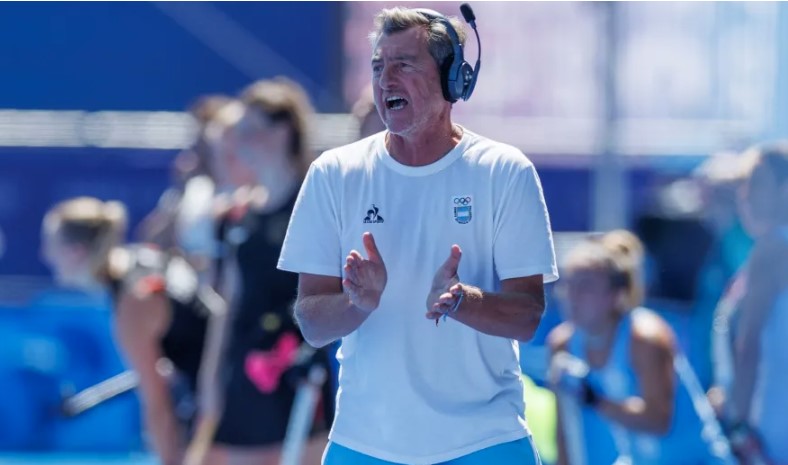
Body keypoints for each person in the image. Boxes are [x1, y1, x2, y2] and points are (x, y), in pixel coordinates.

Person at [278, 6, 558, 465]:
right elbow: (311, 323)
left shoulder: (505, 171)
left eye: (403, 64)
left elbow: (527, 316)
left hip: (485, 443)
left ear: (453, 80)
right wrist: (357, 304)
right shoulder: (333, 173)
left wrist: (464, 301)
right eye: (377, 66)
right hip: (364, 444)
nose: (385, 80)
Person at [206, 77, 334, 465]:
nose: (241, 142)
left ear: (282, 132)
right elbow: (228, 304)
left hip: (303, 372)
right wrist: (211, 378)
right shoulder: (235, 215)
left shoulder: (318, 203)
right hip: (247, 372)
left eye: (251, 130)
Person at [41, 197, 216, 465]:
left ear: (76, 251)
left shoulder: (133, 304)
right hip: (229, 380)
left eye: (51, 246)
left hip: (228, 395)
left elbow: (157, 403)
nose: (45, 256)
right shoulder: (142, 258)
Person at [548, 230, 734, 465]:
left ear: (616, 296)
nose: (572, 296)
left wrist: (595, 400)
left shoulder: (646, 338)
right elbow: (564, 432)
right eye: (567, 285)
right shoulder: (561, 344)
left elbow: (658, 421)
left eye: (586, 287)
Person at [718, 143, 788, 465]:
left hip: (770, 420)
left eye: (756, 183)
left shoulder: (771, 249)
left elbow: (748, 346)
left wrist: (739, 426)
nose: (744, 196)